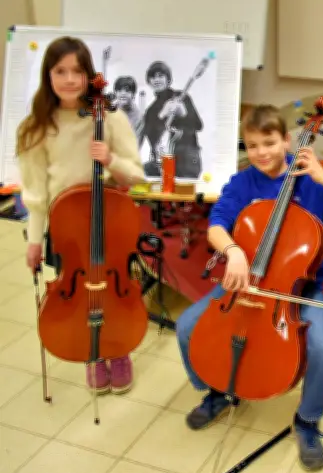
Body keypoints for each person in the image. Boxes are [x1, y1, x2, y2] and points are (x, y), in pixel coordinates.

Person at [175, 104, 323, 471]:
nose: (261, 152)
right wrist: (233, 251)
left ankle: (308, 420)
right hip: (244, 281)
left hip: (299, 288)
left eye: (268, 142)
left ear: (286, 139)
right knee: (187, 328)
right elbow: (217, 225)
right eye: (252, 145)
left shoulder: (311, 180)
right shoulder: (243, 182)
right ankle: (218, 391)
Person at [17, 36, 146, 394]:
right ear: (48, 75)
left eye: (77, 71)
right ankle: (92, 353)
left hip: (109, 224)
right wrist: (33, 241)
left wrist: (110, 160)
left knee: (112, 289)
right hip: (66, 228)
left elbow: (135, 175)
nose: (70, 79)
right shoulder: (36, 127)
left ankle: (118, 349)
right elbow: (37, 195)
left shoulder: (110, 117)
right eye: (60, 71)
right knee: (78, 292)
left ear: (89, 75)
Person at [141, 60, 203, 179]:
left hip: (187, 162)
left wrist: (184, 113)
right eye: (153, 77)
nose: (157, 80)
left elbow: (198, 125)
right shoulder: (151, 110)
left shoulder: (181, 97)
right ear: (149, 81)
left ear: (168, 79)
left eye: (160, 76)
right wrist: (162, 114)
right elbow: (152, 138)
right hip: (162, 165)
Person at [112, 76, 145, 148]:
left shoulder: (139, 117)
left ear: (133, 94)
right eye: (119, 90)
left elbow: (135, 146)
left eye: (127, 91)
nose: (123, 93)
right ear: (115, 93)